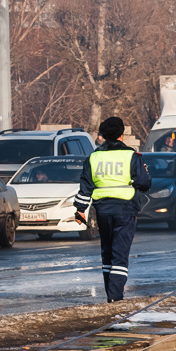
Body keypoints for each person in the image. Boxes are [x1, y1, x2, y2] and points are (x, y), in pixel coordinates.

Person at [74, 117, 151, 302]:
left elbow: (85, 187)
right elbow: (144, 184)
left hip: (102, 210)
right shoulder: (131, 156)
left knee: (107, 253)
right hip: (125, 209)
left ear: (102, 136)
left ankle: (111, 294)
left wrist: (80, 210)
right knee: (120, 255)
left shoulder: (93, 157)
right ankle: (115, 298)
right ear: (121, 135)